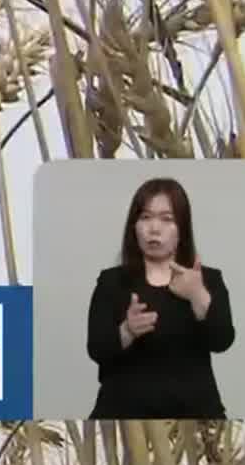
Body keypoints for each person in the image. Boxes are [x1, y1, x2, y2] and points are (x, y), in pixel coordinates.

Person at [84, 175, 235, 419]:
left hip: (193, 413)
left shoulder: (207, 279)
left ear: (182, 229)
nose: (154, 229)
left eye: (167, 219)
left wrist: (198, 296)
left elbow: (222, 340)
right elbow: (96, 349)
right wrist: (127, 331)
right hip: (123, 413)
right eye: (145, 217)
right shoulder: (112, 282)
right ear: (134, 227)